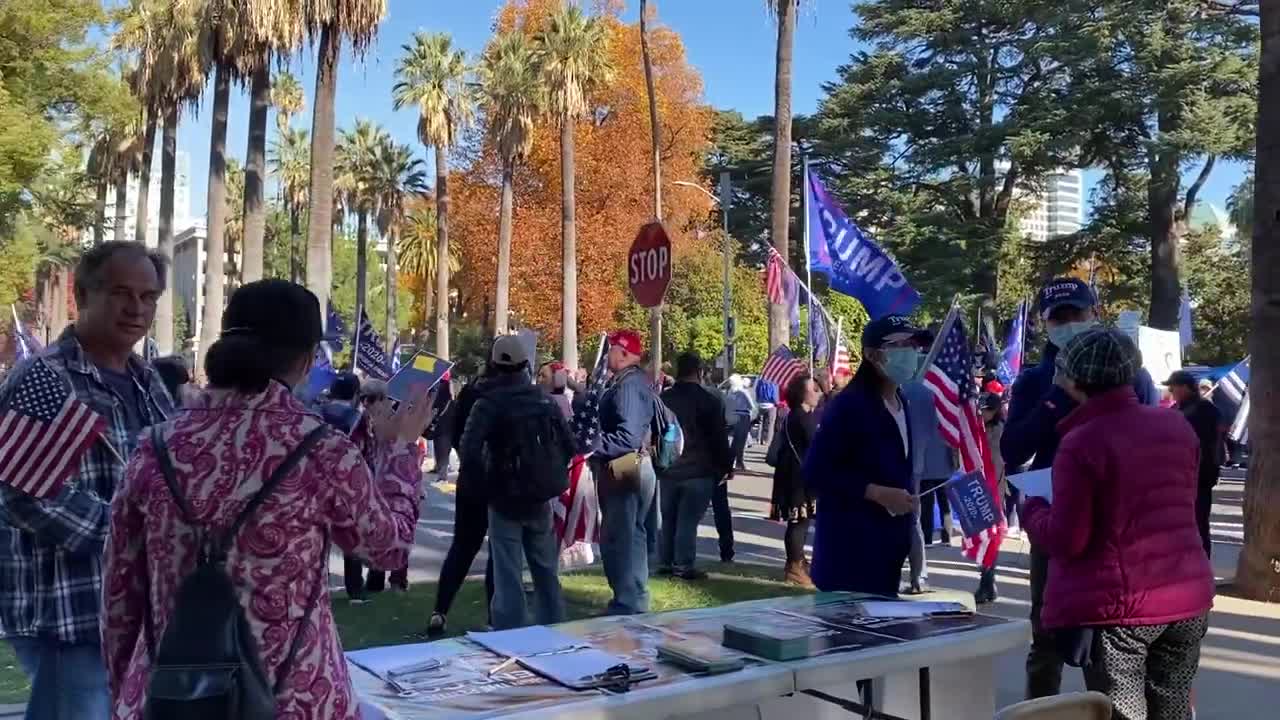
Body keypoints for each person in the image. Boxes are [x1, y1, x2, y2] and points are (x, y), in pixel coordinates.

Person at [101, 279, 435, 720]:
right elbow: (388, 549)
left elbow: (119, 591)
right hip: (295, 695)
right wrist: (400, 452)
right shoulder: (321, 448)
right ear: (306, 358)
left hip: (169, 694)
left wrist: (126, 687)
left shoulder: (156, 446)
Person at [0, 242, 175, 720]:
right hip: (69, 611)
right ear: (82, 294)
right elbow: (24, 493)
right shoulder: (44, 378)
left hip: (138, 610)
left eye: (148, 296)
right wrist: (127, 532)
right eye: (121, 293)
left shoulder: (148, 380)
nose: (136, 308)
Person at [1022, 328, 1212, 720]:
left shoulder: (1083, 440)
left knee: (1124, 714)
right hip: (1186, 595)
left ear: (1073, 380)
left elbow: (1067, 538)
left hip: (1121, 608)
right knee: (1172, 709)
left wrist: (1032, 510)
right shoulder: (1176, 426)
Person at [1002, 277, 1160, 700]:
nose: (1069, 324)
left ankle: (1107, 706)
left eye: (1077, 314)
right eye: (1059, 318)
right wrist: (1055, 397)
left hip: (1116, 526)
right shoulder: (1034, 382)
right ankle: (1042, 710)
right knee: (1047, 631)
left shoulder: (1132, 374)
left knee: (1108, 637)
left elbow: (1149, 443)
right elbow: (1013, 447)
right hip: (1053, 521)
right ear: (1045, 324)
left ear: (1095, 314)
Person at [804, 316, 928, 596]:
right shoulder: (849, 406)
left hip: (888, 550)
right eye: (901, 345)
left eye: (914, 345)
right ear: (872, 355)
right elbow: (816, 471)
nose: (911, 352)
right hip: (849, 553)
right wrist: (874, 492)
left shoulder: (901, 401)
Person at [460, 336, 569, 629]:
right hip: (539, 497)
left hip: (504, 498)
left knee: (508, 574)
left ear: (494, 364)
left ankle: (511, 635)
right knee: (546, 571)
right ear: (525, 365)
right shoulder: (545, 400)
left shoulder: (488, 403)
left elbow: (469, 450)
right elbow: (569, 443)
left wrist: (485, 486)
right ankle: (556, 629)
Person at [423, 357, 498, 638]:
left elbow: (457, 436)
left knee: (463, 546)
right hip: (497, 480)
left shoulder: (470, 393)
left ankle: (440, 610)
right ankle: (494, 615)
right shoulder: (506, 396)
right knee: (498, 551)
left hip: (470, 478)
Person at [592, 329, 658, 615]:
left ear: (623, 353)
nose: (608, 355)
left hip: (626, 467)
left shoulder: (629, 385)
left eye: (611, 350)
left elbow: (628, 437)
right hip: (635, 466)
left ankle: (626, 602)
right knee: (633, 535)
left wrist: (593, 446)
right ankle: (635, 598)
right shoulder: (632, 382)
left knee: (619, 538)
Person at [657, 353, 733, 580]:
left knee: (669, 518)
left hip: (669, 466)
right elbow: (718, 438)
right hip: (698, 468)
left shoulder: (664, 398)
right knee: (688, 521)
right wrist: (726, 465)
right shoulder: (709, 401)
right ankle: (683, 564)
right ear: (699, 372)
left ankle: (666, 561)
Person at [772, 373, 821, 587]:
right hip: (797, 476)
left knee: (801, 521)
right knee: (798, 522)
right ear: (803, 394)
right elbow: (816, 445)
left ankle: (798, 561)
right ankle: (794, 567)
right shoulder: (802, 417)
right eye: (814, 389)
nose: (817, 393)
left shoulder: (797, 415)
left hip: (794, 473)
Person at [1167, 369, 1223, 557]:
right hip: (1180, 477)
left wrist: (1210, 473)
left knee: (1198, 525)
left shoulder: (1205, 411)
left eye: (1173, 387)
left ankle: (1202, 564)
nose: (1171, 391)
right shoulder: (1177, 411)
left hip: (1198, 476)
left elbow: (1212, 445)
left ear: (1184, 387)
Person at [900, 380, 944, 594]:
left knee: (909, 519)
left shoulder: (901, 390)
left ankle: (917, 575)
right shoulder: (927, 393)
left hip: (900, 464)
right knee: (912, 519)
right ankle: (919, 576)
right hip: (915, 465)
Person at [974, 391, 1007, 603]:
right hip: (976, 488)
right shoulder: (974, 429)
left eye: (988, 410)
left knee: (991, 537)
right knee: (980, 538)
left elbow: (998, 462)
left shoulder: (999, 431)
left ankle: (987, 582)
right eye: (982, 410)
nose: (984, 414)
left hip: (993, 489)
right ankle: (986, 581)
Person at [725, 374, 756, 471]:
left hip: (732, 417)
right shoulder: (743, 392)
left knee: (734, 441)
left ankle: (733, 462)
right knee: (741, 441)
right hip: (743, 416)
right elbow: (752, 405)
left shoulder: (729, 392)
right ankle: (738, 462)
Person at [755, 377, 779, 446]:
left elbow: (756, 391)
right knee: (770, 423)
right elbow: (774, 395)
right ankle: (767, 440)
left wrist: (758, 400)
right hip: (770, 405)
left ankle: (759, 439)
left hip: (761, 404)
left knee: (760, 422)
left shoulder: (760, 381)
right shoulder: (773, 382)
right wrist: (776, 403)